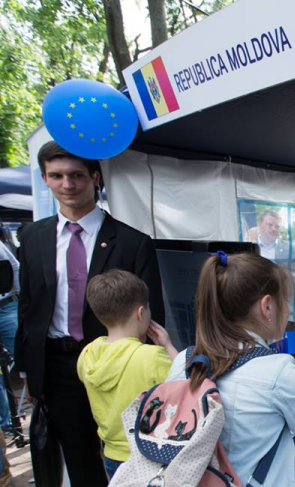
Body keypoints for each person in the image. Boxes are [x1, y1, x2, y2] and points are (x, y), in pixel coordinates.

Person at [15, 141, 165, 486]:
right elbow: (29, 307)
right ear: (45, 179)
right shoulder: (33, 237)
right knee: (80, 460)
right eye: (57, 176)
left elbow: (150, 313)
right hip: (57, 367)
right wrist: (29, 369)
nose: (67, 185)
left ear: (94, 178)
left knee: (130, 458)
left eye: (76, 175)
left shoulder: (133, 242)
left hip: (118, 366)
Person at [165, 252, 295, 486]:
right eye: (285, 301)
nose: (289, 311)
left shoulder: (184, 360)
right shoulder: (280, 372)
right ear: (267, 306)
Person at [77, 270, 178, 479]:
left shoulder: (87, 355)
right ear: (141, 313)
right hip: (150, 455)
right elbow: (185, 384)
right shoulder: (151, 357)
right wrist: (168, 346)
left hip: (113, 455)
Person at [255, 210, 295, 317]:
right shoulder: (250, 248)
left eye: (277, 226)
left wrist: (284, 277)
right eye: (270, 225)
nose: (274, 229)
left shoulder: (289, 248)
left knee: (294, 334)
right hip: (257, 305)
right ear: (259, 224)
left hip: (287, 306)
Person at [0, 229, 19, 431]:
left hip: (5, 306)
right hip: (7, 307)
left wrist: (23, 299)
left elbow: (14, 266)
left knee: (25, 358)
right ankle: (4, 425)